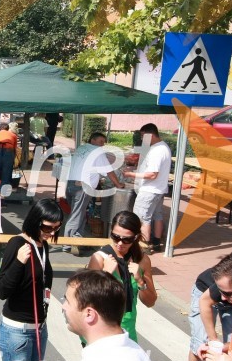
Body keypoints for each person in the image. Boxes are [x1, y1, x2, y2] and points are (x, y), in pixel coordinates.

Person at [0, 198, 63, 361]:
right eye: (47, 227)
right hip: (16, 332)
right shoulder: (17, 244)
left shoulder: (43, 246)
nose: (51, 232)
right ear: (35, 220)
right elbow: (1, 289)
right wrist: (19, 263)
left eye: (56, 228)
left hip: (38, 329)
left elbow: (41, 283)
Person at [86, 211, 157, 342]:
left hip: (127, 333)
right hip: (101, 332)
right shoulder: (99, 258)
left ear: (135, 238)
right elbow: (86, 299)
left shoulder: (142, 260)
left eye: (127, 239)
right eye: (115, 236)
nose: (120, 243)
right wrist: (105, 274)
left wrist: (140, 281)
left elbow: (150, 302)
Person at [64, 132, 124, 239]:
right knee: (76, 216)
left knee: (79, 213)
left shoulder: (81, 148)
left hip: (71, 184)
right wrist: (118, 184)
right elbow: (109, 171)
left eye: (103, 143)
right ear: (93, 140)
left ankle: (77, 238)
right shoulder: (97, 151)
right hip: (82, 187)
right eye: (101, 141)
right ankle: (68, 244)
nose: (102, 145)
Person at [124, 123, 171, 252]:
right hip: (159, 189)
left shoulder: (157, 150)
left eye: (143, 136)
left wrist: (131, 174)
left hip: (149, 190)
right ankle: (156, 243)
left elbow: (152, 174)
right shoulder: (163, 147)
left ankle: (143, 247)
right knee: (158, 216)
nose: (142, 139)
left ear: (150, 135)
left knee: (143, 219)